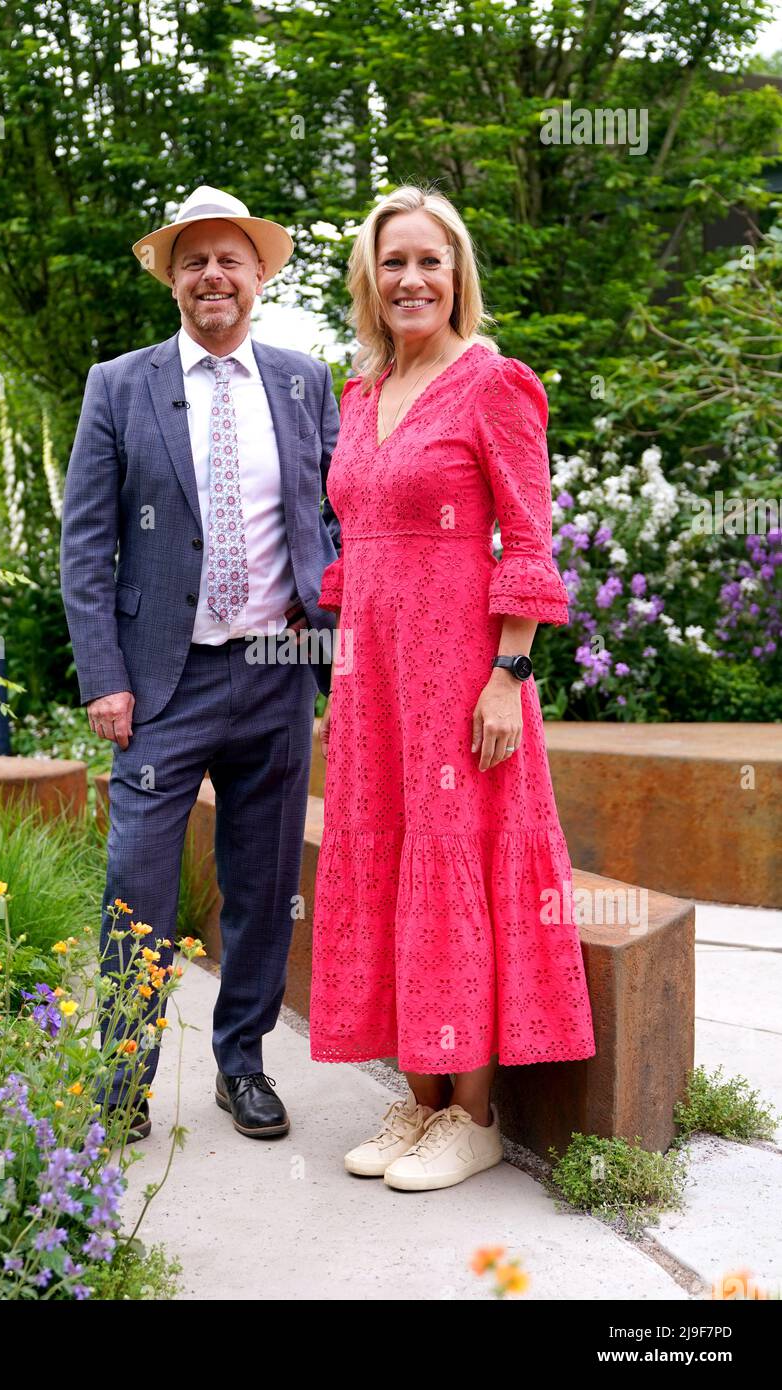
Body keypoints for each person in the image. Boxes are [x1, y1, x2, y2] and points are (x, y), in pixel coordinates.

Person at [310, 184, 596, 1192]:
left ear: (457, 274)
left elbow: (528, 537)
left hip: (462, 671)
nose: (412, 278)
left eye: (431, 261)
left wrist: (507, 676)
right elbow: (355, 544)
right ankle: (421, 1101)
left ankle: (472, 1113)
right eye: (395, 262)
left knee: (454, 859)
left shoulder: (493, 382)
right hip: (374, 682)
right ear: (371, 279)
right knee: (389, 858)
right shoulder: (361, 390)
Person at [60, 186, 341, 1142]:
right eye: (194, 262)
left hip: (275, 671)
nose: (212, 276)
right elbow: (86, 541)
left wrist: (338, 656)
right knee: (137, 881)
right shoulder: (118, 384)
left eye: (230, 259)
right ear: (172, 280)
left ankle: (244, 1065)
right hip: (159, 684)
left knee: (263, 884)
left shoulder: (307, 380)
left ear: (260, 275)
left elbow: (335, 520)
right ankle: (121, 1077)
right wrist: (103, 675)